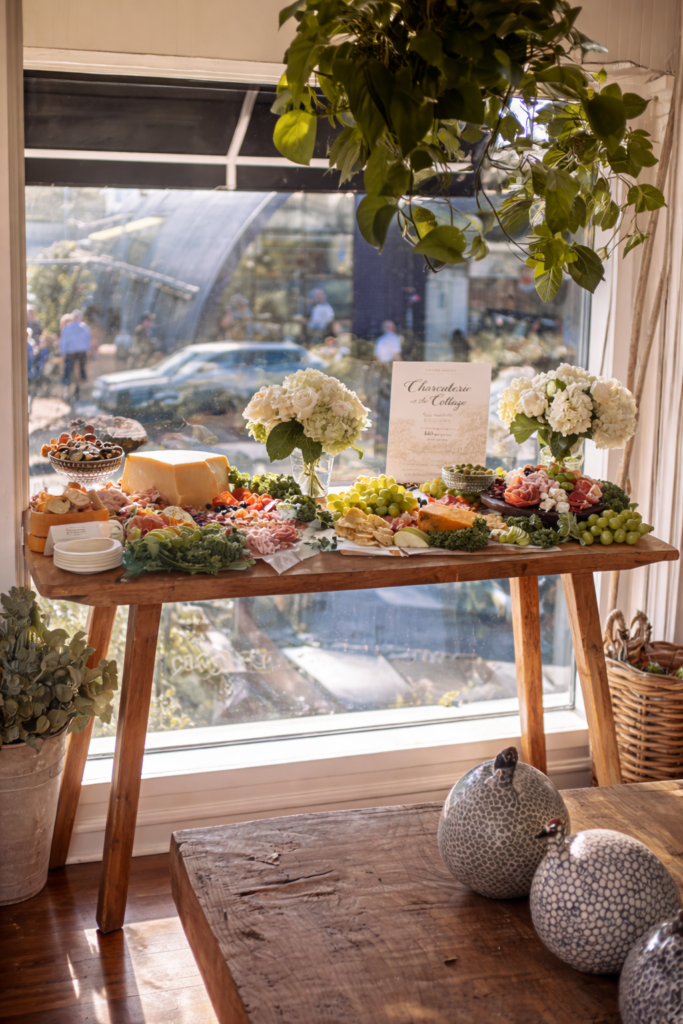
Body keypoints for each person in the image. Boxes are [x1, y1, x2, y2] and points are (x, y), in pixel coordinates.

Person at [59, 309, 91, 400]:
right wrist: (87, 350)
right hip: (81, 352)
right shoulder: (85, 327)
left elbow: (64, 341)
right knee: (81, 371)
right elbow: (87, 340)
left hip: (70, 353)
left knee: (67, 372)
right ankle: (79, 391)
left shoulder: (68, 327)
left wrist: (63, 352)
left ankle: (66, 392)